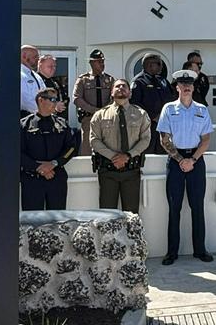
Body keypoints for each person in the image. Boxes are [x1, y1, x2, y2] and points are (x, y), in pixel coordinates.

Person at [157, 69, 214, 264]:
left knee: (197, 207)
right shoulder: (169, 109)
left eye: (189, 84)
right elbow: (164, 139)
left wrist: (193, 160)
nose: (187, 87)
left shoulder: (202, 109)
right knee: (174, 208)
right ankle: (171, 252)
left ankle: (200, 250)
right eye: (183, 84)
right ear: (177, 87)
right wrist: (181, 159)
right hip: (176, 162)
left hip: (196, 162)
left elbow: (206, 139)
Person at [89, 79, 151, 213]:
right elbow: (94, 140)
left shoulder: (140, 114)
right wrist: (114, 157)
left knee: (132, 215)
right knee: (106, 216)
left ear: (129, 92)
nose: (121, 88)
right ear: (111, 92)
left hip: (131, 172)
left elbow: (145, 139)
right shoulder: (100, 115)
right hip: (108, 171)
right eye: (117, 86)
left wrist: (128, 156)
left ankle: (131, 235)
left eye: (124, 86)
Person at [19, 87, 78, 210]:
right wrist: (38, 167)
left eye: (56, 100)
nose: (55, 103)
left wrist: (54, 163)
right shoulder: (24, 124)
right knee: (33, 221)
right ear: (41, 100)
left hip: (56, 177)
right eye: (52, 99)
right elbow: (17, 152)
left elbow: (71, 148)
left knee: (57, 221)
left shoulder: (62, 124)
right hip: (32, 180)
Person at [73, 49, 115, 154]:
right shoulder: (83, 79)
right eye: (98, 61)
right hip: (89, 119)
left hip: (106, 119)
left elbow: (114, 98)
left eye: (102, 61)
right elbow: (77, 99)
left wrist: (104, 111)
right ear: (91, 63)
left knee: (108, 146)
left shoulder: (109, 79)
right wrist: (94, 110)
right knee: (87, 147)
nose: (102, 64)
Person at [131, 53, 172, 154]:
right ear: (149, 65)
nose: (161, 67)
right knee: (148, 153)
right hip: (147, 126)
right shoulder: (139, 81)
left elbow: (171, 97)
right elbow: (134, 103)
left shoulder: (162, 80)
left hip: (163, 125)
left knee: (163, 151)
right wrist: (153, 116)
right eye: (158, 64)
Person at [20, 44, 45, 117]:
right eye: (35, 57)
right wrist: (41, 111)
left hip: (40, 116)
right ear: (24, 56)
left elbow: (45, 93)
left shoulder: (36, 76)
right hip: (26, 117)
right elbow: (25, 100)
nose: (38, 59)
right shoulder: (19, 74)